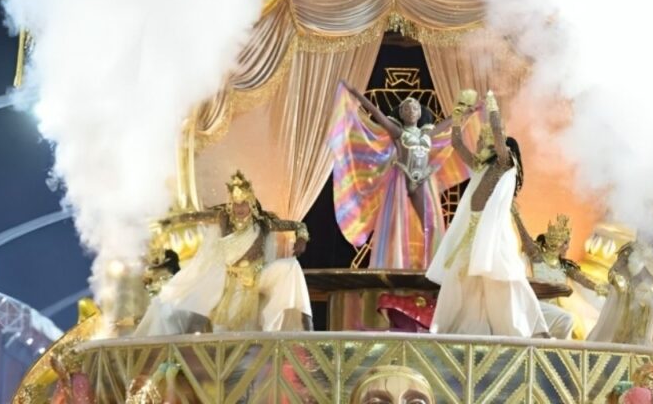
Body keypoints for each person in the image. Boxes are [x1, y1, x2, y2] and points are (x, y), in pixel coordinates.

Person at [426, 91, 549, 337]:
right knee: (461, 280)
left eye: (488, 141)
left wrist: (493, 109)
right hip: (471, 231)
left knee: (504, 279)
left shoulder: (505, 164)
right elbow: (457, 144)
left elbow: (501, 141)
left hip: (493, 232)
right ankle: (454, 330)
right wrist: (458, 117)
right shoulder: (480, 166)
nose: (483, 144)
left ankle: (531, 329)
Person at [134, 171, 313, 335]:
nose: (240, 209)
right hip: (231, 282)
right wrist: (170, 221)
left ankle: (301, 325)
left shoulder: (264, 222)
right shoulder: (224, 219)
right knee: (221, 329)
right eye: (236, 204)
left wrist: (301, 239)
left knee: (290, 267)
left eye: (244, 204)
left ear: (251, 203)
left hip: (258, 275)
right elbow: (194, 217)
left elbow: (298, 225)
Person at [330, 81, 479, 269]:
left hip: (424, 180)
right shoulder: (397, 132)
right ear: (401, 113)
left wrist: (469, 111)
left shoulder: (428, 133)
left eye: (415, 107)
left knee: (431, 224)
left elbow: (450, 121)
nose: (411, 110)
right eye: (407, 108)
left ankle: (434, 266)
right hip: (402, 180)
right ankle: (394, 265)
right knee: (397, 226)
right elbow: (376, 113)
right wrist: (355, 93)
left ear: (419, 113)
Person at [515, 212, 608, 339]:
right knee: (567, 318)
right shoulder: (538, 258)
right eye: (565, 243)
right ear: (554, 242)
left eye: (568, 243)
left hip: (553, 310)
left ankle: (557, 352)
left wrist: (599, 288)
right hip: (535, 306)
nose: (567, 247)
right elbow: (526, 239)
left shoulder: (564, 266)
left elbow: (582, 279)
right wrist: (516, 216)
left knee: (567, 320)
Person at [586, 233, 653, 349]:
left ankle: (648, 340)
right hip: (631, 292)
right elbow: (613, 272)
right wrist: (620, 282)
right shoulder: (629, 250)